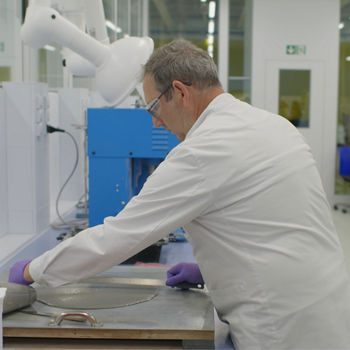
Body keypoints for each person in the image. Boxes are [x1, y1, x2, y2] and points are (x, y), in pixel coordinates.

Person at [9, 39, 350, 349]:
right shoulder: (272, 124)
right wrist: (211, 269)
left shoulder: (202, 151)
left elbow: (118, 237)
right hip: (328, 305)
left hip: (280, 326)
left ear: (180, 92)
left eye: (153, 107)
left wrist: (34, 270)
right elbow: (275, 222)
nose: (155, 123)